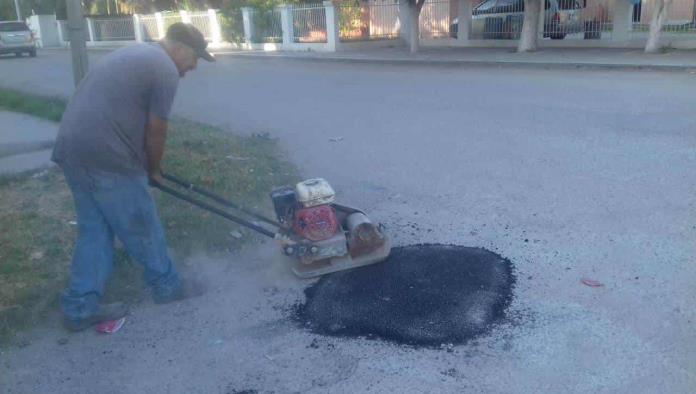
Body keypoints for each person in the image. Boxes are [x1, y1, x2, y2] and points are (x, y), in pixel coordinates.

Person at [51, 23, 215, 331]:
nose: (192, 68)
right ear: (181, 48)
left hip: (74, 149)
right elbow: (156, 129)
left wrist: (146, 166)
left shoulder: (139, 53)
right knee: (141, 222)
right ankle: (167, 287)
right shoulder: (164, 68)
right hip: (107, 155)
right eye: (194, 59)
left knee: (95, 231)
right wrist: (153, 169)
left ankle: (79, 307)